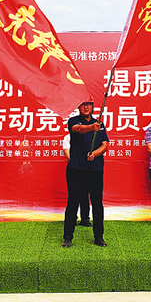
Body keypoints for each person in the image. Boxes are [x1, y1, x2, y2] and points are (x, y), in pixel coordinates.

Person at [62, 97, 109, 247]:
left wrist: (95, 154)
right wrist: (91, 128)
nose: (86, 107)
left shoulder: (99, 124)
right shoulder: (73, 121)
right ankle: (68, 237)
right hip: (77, 168)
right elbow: (77, 129)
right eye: (83, 105)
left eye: (89, 104)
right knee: (73, 202)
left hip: (95, 169)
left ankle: (99, 237)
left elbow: (105, 144)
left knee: (97, 204)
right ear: (79, 107)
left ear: (93, 107)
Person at [62, 134, 92, 227]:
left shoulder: (88, 137)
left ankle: (85, 219)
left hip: (86, 168)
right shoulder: (68, 137)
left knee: (85, 194)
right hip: (73, 168)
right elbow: (66, 152)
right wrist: (76, 163)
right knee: (73, 195)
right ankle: (72, 219)